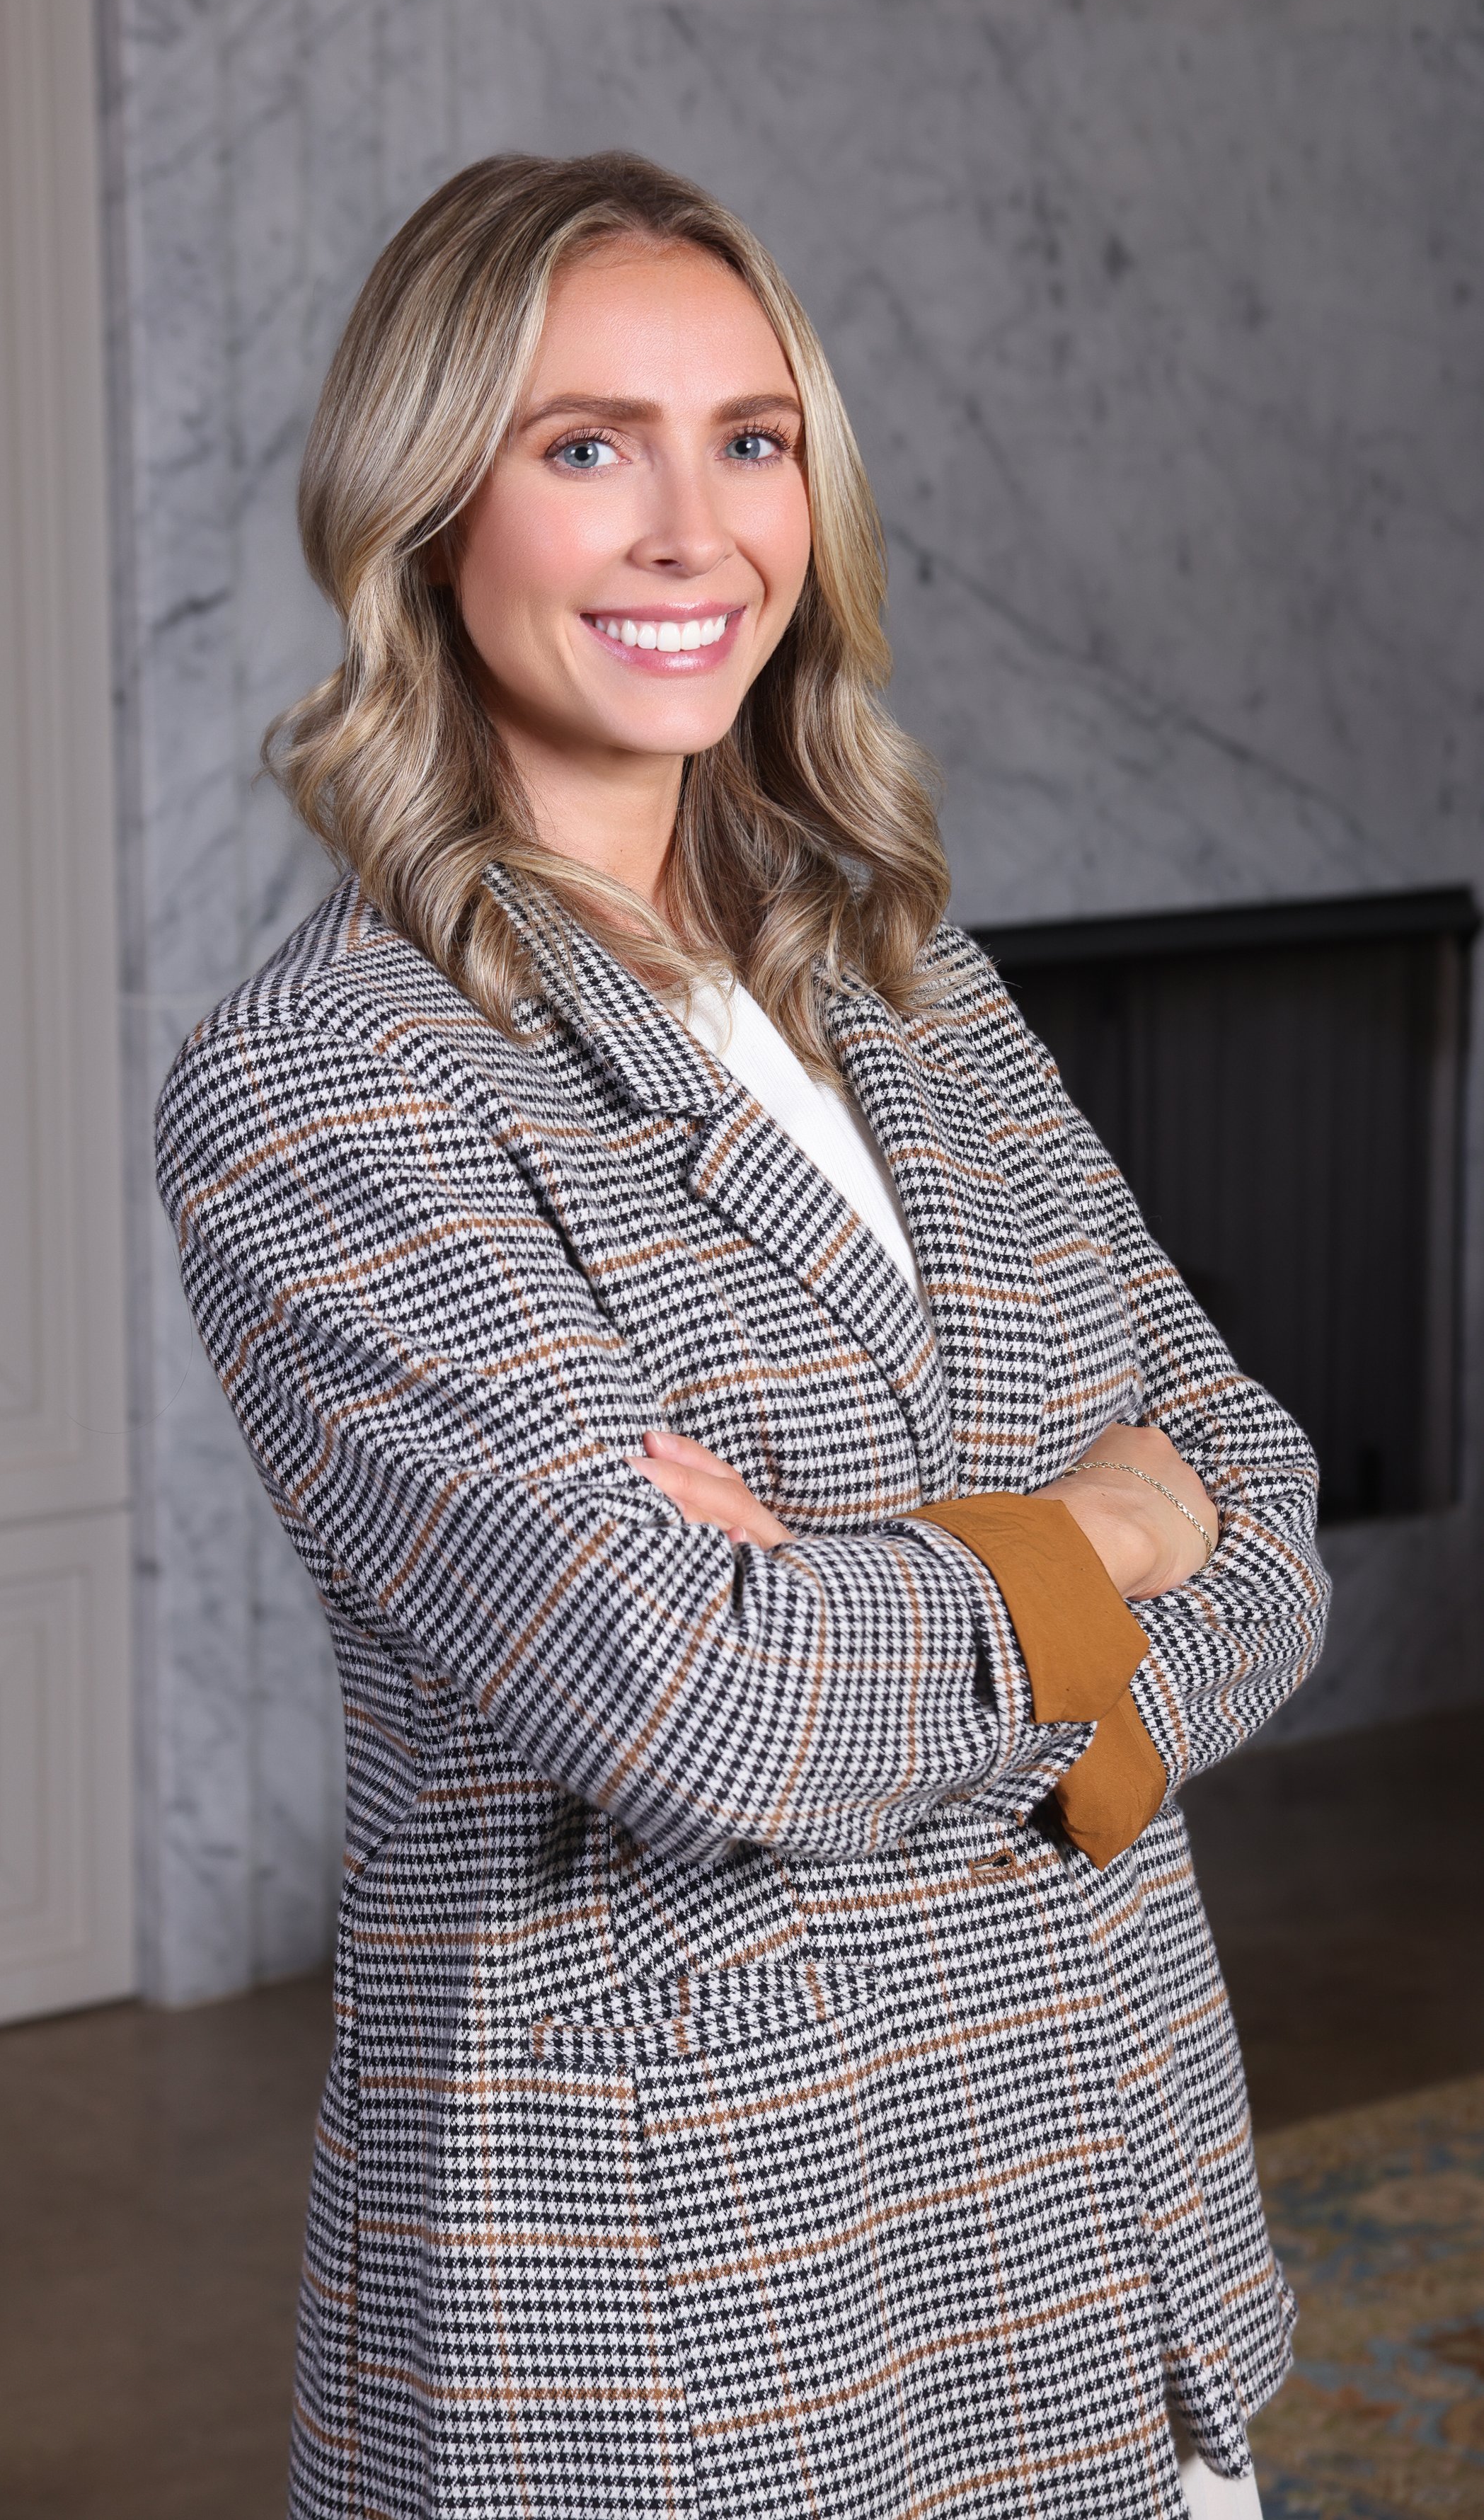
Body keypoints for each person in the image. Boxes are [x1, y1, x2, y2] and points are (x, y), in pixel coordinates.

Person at [156, 150, 1328, 2520]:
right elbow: (717, 1713)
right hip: (697, 2288)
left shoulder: (910, 976)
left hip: (1099, 2190)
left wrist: (881, 1583)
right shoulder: (332, 1088)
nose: (692, 532)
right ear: (424, 505)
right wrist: (1100, 1529)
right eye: (585, 445)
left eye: (750, 439)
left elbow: (1278, 1520)